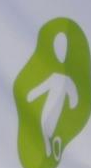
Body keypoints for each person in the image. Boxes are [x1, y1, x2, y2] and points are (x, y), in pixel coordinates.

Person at [26, 32, 78, 160]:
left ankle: (53, 147)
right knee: (46, 123)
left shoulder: (65, 80)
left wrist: (31, 96)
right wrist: (31, 96)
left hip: (56, 109)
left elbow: (73, 98)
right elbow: (41, 89)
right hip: (52, 107)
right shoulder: (57, 78)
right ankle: (51, 147)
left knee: (48, 125)